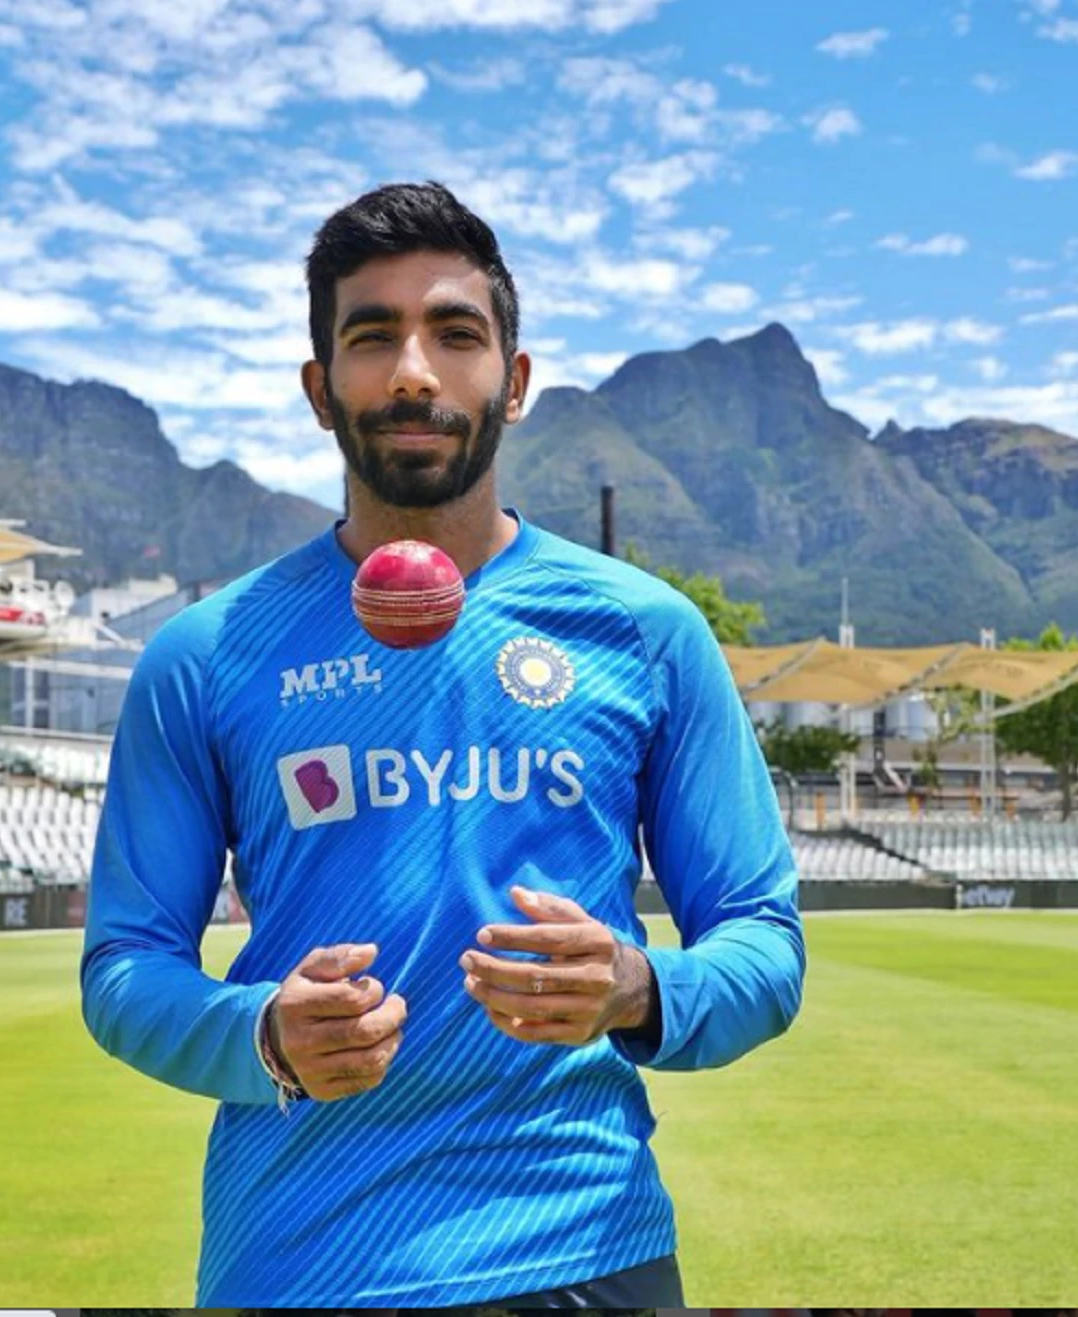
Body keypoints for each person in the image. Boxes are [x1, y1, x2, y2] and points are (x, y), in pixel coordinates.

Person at [81, 180, 805, 1309]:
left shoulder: (645, 630)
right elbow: (126, 967)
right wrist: (261, 1033)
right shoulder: (206, 653)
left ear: (513, 381)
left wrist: (637, 986)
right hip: (299, 1263)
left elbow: (763, 942)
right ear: (320, 390)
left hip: (586, 1249)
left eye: (456, 334)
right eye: (373, 337)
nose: (413, 371)